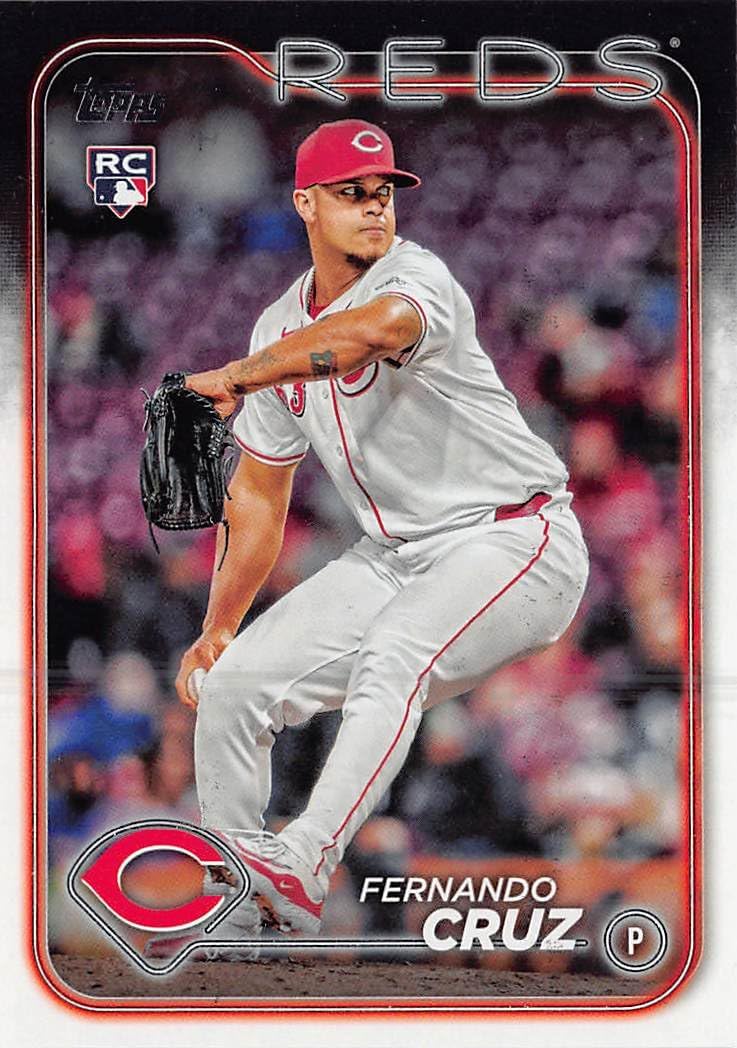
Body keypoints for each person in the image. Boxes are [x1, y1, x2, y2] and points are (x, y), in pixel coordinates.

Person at [175, 119, 590, 941]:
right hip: (394, 556)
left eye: (383, 192)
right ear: (305, 203)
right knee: (233, 688)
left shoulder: (416, 277)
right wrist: (220, 625)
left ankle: (303, 862)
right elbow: (258, 491)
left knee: (394, 652)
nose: (374, 206)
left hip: (514, 539)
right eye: (350, 192)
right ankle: (241, 912)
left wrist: (236, 376)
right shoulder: (276, 328)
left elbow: (368, 334)